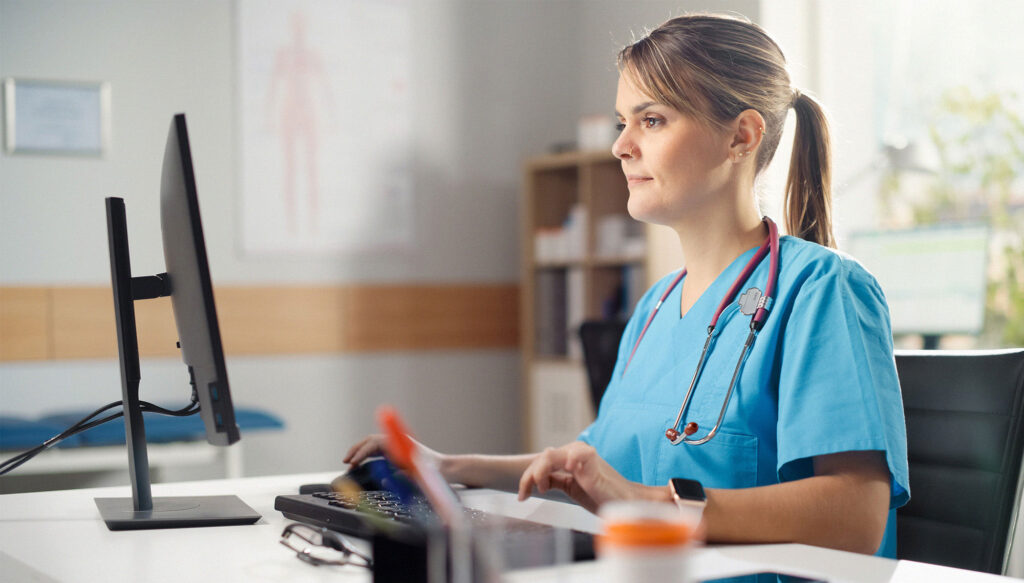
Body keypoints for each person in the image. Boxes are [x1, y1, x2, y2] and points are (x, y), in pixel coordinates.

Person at [346, 13, 909, 557]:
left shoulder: (822, 290)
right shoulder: (656, 306)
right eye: (623, 123)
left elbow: (856, 515)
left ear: (741, 136)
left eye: (653, 120)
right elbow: (588, 461)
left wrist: (652, 505)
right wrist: (446, 467)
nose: (622, 146)